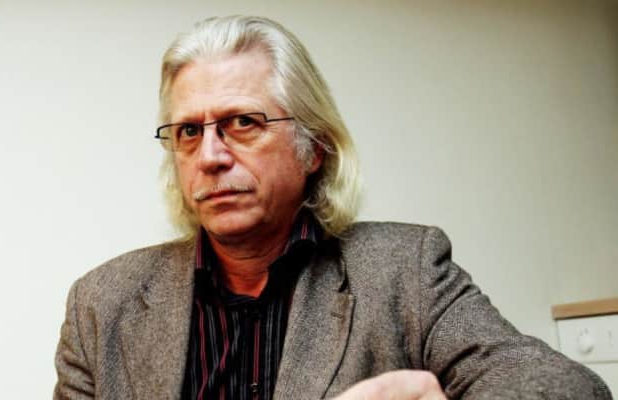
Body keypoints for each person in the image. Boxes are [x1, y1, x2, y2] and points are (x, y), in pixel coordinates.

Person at [54, 15, 611, 400]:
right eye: (188, 132)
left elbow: (567, 387)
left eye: (242, 122)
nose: (211, 155)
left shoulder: (407, 270)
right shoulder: (101, 304)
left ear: (314, 146)